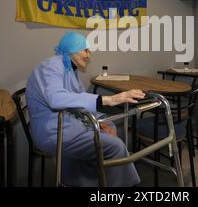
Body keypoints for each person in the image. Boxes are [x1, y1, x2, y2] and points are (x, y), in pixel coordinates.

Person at [25, 32, 144, 186]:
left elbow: (81, 99)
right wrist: (110, 99)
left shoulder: (70, 71)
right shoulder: (50, 66)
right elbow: (55, 99)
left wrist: (103, 121)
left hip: (69, 126)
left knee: (109, 131)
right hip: (52, 131)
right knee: (115, 147)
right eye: (85, 50)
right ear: (72, 49)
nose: (89, 55)